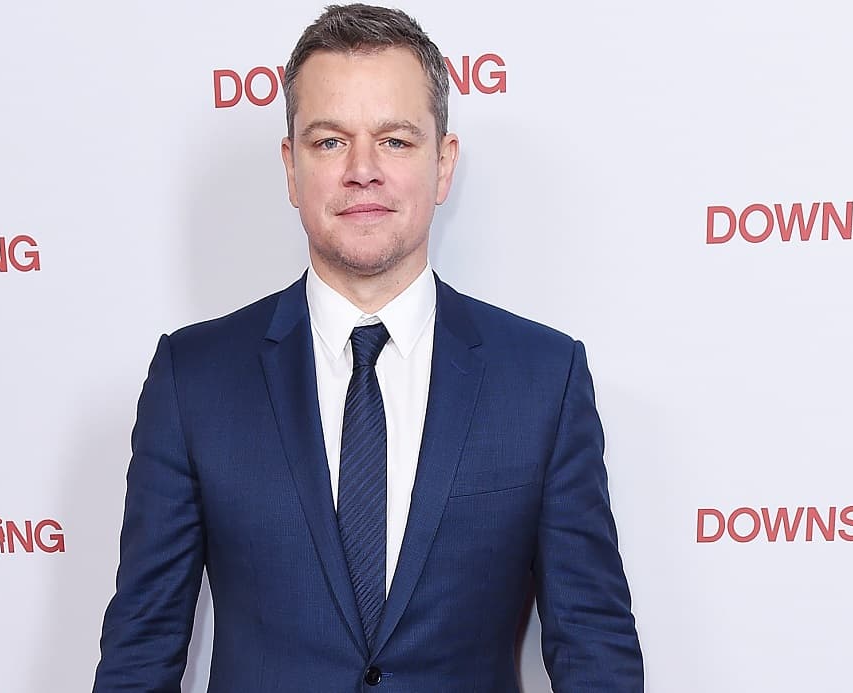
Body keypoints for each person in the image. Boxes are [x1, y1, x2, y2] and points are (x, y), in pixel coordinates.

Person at [93, 4, 643, 691]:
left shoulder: (542, 379)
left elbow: (593, 646)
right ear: (291, 168)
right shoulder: (193, 379)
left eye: (395, 141)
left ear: (443, 165)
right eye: (329, 142)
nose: (362, 170)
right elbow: (141, 651)